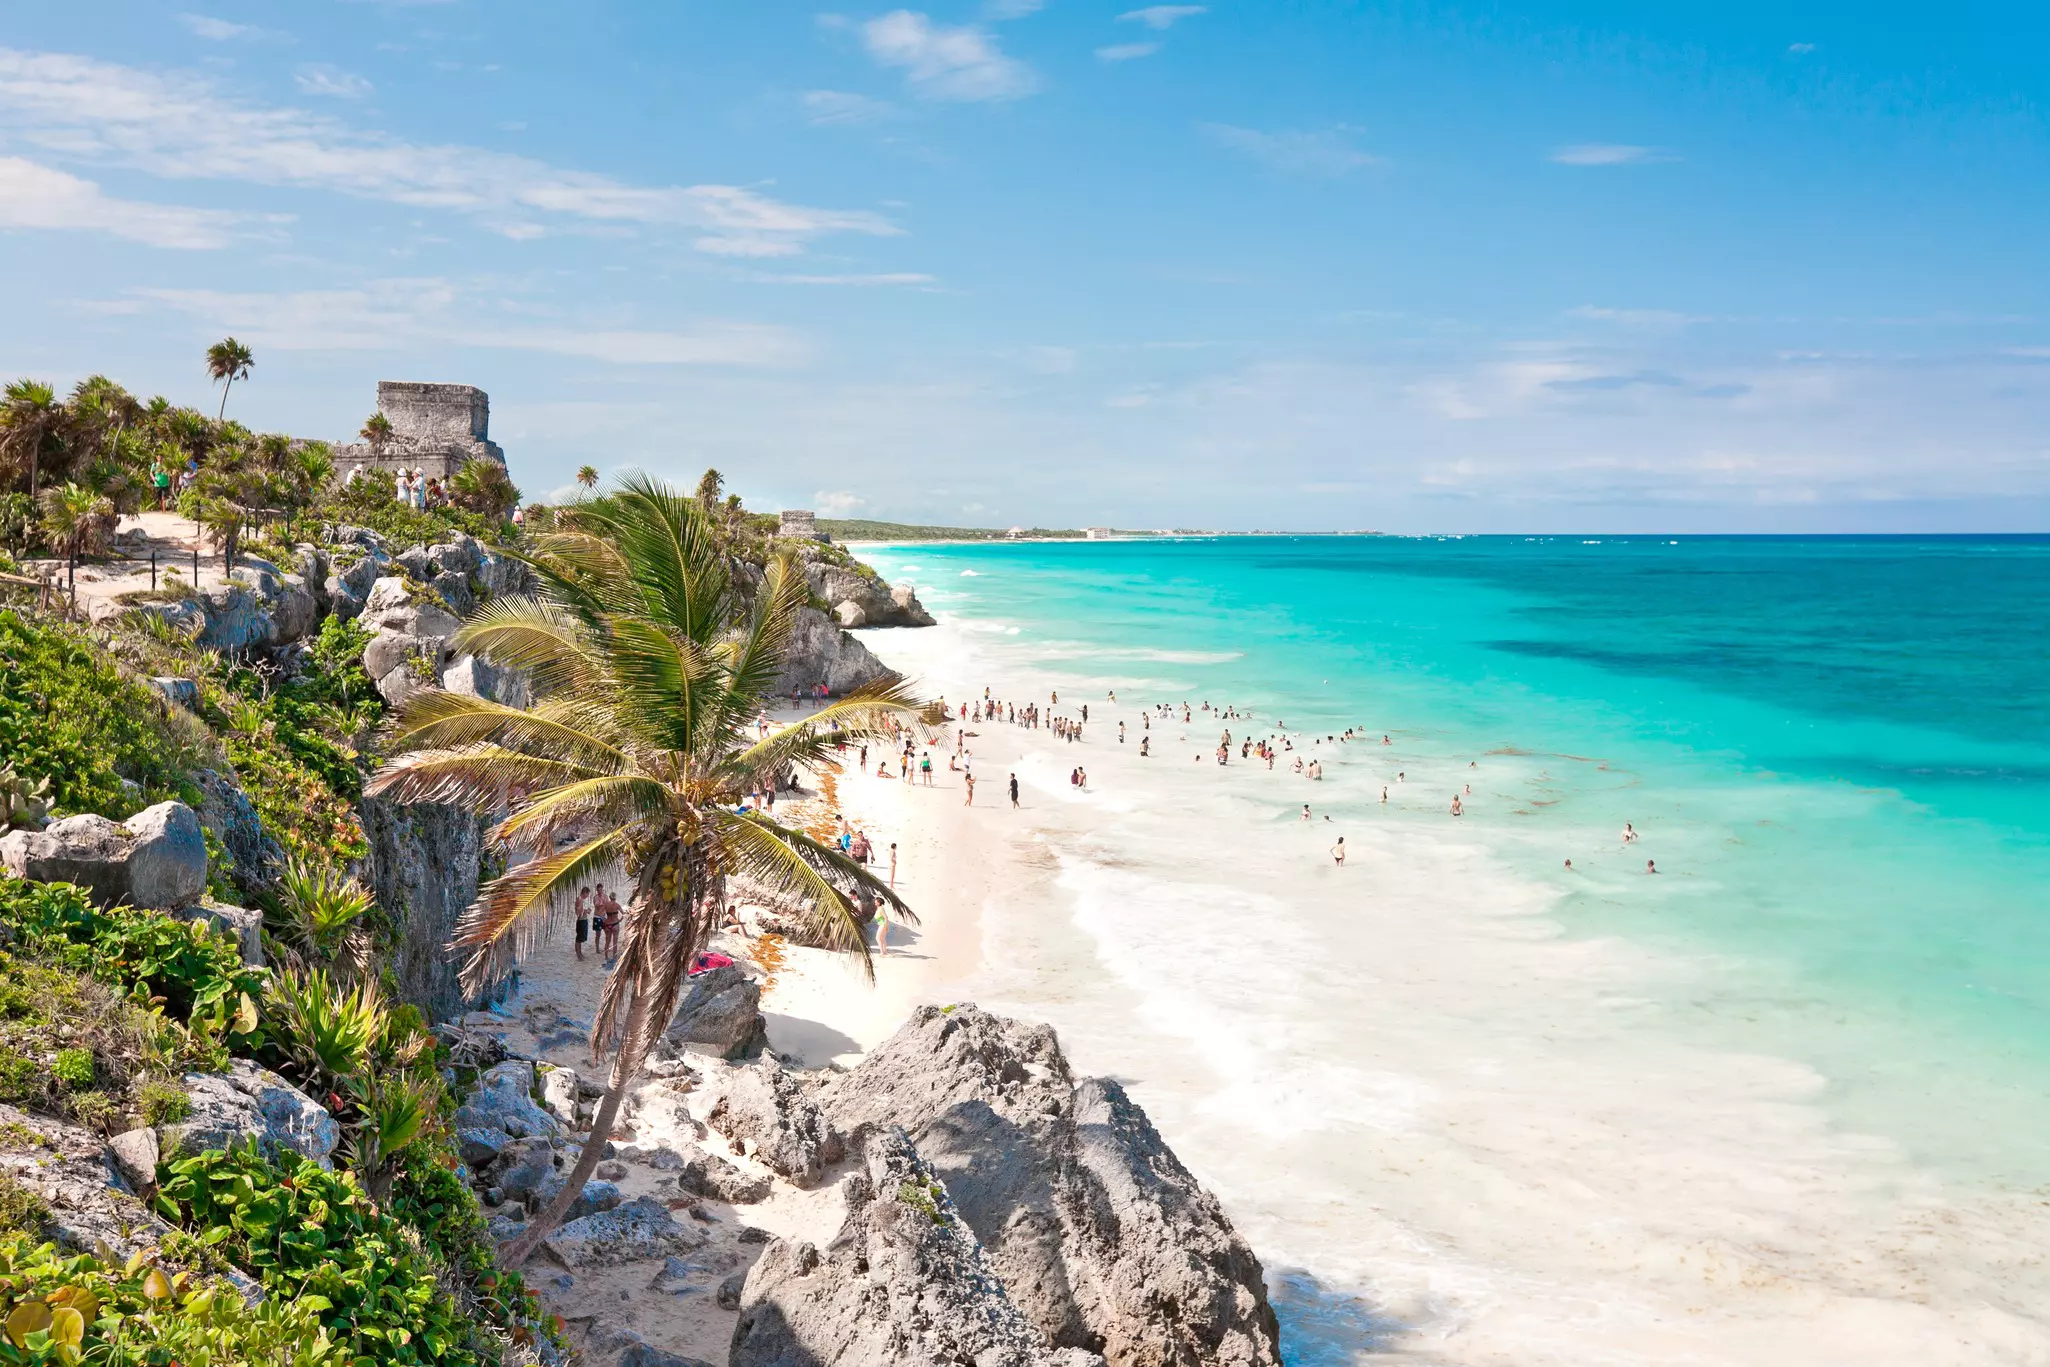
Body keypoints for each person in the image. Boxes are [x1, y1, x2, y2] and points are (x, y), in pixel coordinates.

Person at [573, 885, 591, 961]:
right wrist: (586, 911)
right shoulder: (579, 899)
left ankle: (580, 953)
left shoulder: (580, 899)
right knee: (578, 939)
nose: (587, 896)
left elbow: (580, 910)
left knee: (580, 939)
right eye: (587, 894)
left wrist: (586, 910)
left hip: (582, 920)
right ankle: (578, 955)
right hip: (581, 920)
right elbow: (578, 912)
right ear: (584, 893)